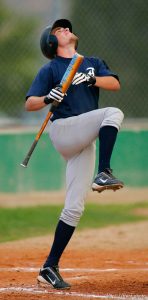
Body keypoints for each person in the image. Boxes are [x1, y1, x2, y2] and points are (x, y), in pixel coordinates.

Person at [25, 19, 124, 289]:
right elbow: (30, 103)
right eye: (58, 30)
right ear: (51, 43)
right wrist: (48, 97)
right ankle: (104, 172)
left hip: (85, 135)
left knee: (74, 207)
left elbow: (114, 84)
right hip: (65, 131)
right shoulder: (51, 69)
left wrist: (91, 77)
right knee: (113, 113)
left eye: (66, 28)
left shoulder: (91, 61)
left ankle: (49, 267)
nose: (65, 29)